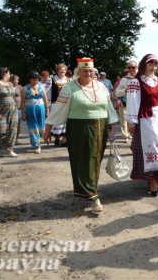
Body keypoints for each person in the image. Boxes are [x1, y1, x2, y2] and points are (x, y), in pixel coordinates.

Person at [43, 57, 118, 213]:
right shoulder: (69, 88)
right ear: (78, 72)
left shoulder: (101, 86)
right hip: (79, 128)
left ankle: (89, 190)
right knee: (84, 160)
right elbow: (57, 110)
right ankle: (93, 196)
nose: (88, 73)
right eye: (85, 71)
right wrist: (48, 129)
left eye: (91, 70)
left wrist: (112, 126)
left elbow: (109, 107)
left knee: (95, 160)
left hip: (100, 127)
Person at [125, 54, 158, 197]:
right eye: (150, 64)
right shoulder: (136, 82)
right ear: (143, 65)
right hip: (145, 120)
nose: (153, 67)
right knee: (148, 149)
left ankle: (155, 178)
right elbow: (133, 102)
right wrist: (132, 122)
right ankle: (151, 181)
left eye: (155, 65)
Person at [21, 71, 49, 154]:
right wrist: (23, 113)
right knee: (33, 127)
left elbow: (45, 99)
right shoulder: (25, 88)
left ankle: (41, 140)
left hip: (41, 109)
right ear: (29, 79)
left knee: (42, 127)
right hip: (30, 109)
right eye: (33, 79)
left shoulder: (42, 87)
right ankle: (37, 145)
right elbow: (22, 102)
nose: (35, 81)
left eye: (37, 79)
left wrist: (47, 110)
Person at [115, 60, 138, 142]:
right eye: (129, 67)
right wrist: (125, 90)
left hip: (138, 106)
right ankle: (125, 136)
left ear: (137, 68)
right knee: (124, 120)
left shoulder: (141, 78)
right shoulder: (124, 80)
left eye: (133, 67)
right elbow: (117, 93)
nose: (131, 69)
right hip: (124, 104)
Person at [50, 64, 70, 147]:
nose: (62, 71)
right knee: (57, 121)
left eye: (64, 69)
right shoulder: (52, 80)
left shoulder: (70, 80)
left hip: (66, 104)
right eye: (60, 69)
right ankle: (57, 138)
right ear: (57, 71)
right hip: (55, 103)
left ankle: (65, 140)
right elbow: (48, 92)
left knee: (66, 121)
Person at [10, 74, 23, 145]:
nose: (17, 81)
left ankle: (16, 139)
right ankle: (10, 139)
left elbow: (23, 96)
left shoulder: (20, 87)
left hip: (19, 108)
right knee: (11, 124)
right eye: (16, 80)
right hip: (10, 108)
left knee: (18, 125)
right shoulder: (8, 86)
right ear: (12, 80)